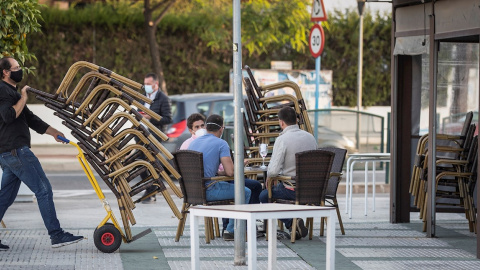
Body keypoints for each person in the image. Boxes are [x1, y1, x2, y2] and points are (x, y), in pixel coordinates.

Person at [0, 57, 84, 251]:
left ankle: (57, 234)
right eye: (16, 68)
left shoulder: (11, 93)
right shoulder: (3, 91)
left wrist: (54, 132)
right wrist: (23, 97)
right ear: (5, 72)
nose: (20, 71)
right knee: (43, 189)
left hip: (10, 153)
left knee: (5, 197)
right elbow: (8, 115)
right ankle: (56, 235)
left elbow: (30, 118)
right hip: (16, 151)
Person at [188, 114, 261, 241]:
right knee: (244, 191)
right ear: (222, 129)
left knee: (237, 189)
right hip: (209, 190)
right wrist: (239, 165)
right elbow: (230, 172)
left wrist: (221, 173)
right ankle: (231, 230)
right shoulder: (221, 143)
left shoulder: (194, 143)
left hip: (192, 191)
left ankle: (237, 228)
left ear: (206, 127)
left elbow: (215, 171)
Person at [259, 106, 317, 240]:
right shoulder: (310, 137)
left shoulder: (282, 139)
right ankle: (293, 225)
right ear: (296, 120)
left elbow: (273, 170)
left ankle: (292, 222)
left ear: (281, 122)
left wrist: (270, 176)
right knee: (275, 191)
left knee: (263, 196)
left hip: (292, 190)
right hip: (313, 190)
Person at [140, 73, 172, 204]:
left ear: (155, 84)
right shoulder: (142, 97)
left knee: (151, 164)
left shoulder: (163, 98)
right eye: (145, 84)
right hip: (141, 134)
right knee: (139, 163)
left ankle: (151, 191)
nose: (146, 86)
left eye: (148, 84)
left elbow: (167, 118)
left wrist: (150, 117)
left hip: (154, 136)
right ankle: (150, 190)